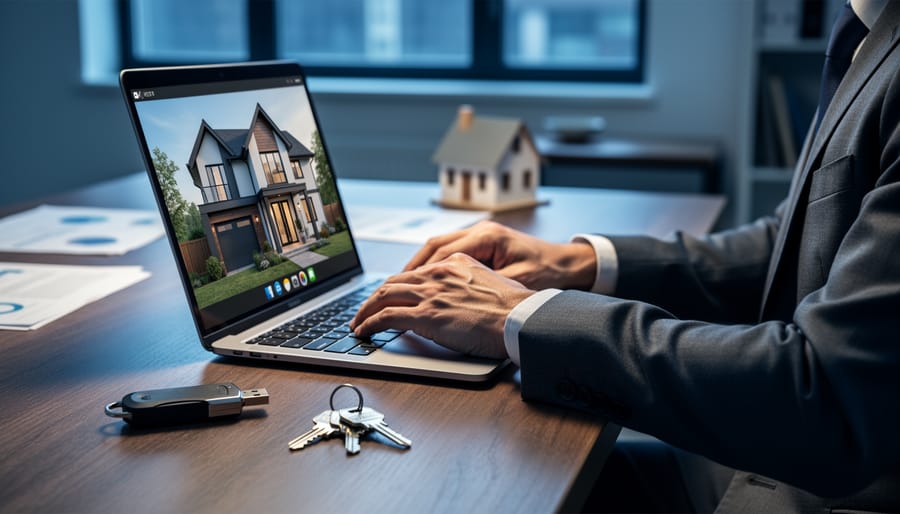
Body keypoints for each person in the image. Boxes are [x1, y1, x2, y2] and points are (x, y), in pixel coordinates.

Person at [351, 1, 900, 511]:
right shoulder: (867, 26)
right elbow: (788, 243)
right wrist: (581, 262)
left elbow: (827, 394)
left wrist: (523, 315)